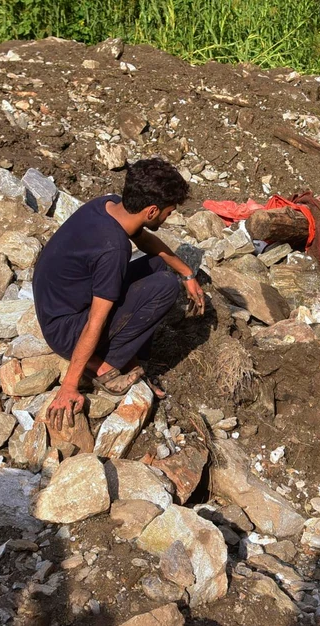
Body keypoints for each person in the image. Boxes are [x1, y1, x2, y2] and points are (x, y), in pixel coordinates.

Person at [33, 158, 205, 431]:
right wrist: (68, 386)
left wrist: (187, 273)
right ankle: (105, 364)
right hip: (65, 331)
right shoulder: (113, 249)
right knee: (164, 286)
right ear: (151, 211)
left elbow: (145, 241)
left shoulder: (109, 205)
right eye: (168, 213)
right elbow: (96, 322)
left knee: (161, 265)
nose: (168, 217)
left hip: (55, 303)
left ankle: (128, 353)